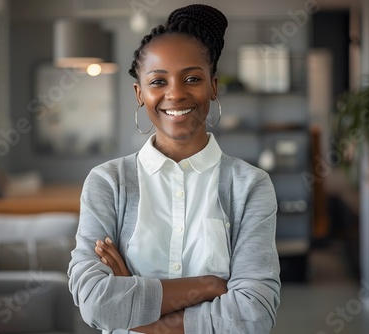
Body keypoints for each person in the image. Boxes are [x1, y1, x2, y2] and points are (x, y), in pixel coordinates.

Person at [68, 4, 280, 333]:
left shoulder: (249, 186)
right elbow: (96, 301)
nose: (176, 94)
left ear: (213, 87)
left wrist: (139, 316)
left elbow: (254, 314)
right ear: (140, 94)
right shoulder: (108, 184)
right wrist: (211, 286)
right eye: (158, 81)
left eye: (192, 78)